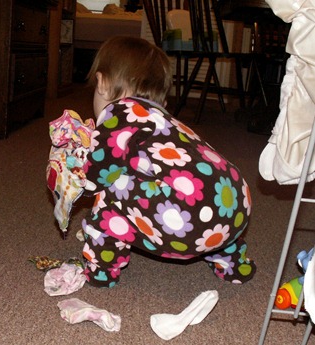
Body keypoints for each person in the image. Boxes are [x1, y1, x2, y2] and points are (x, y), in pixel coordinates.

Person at [81, 36, 256, 288]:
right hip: (237, 205)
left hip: (183, 223)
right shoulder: (167, 123)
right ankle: (232, 263)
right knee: (200, 191)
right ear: (162, 101)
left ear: (102, 83)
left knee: (108, 192)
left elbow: (99, 169)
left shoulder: (118, 113)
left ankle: (102, 270)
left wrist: (79, 178)